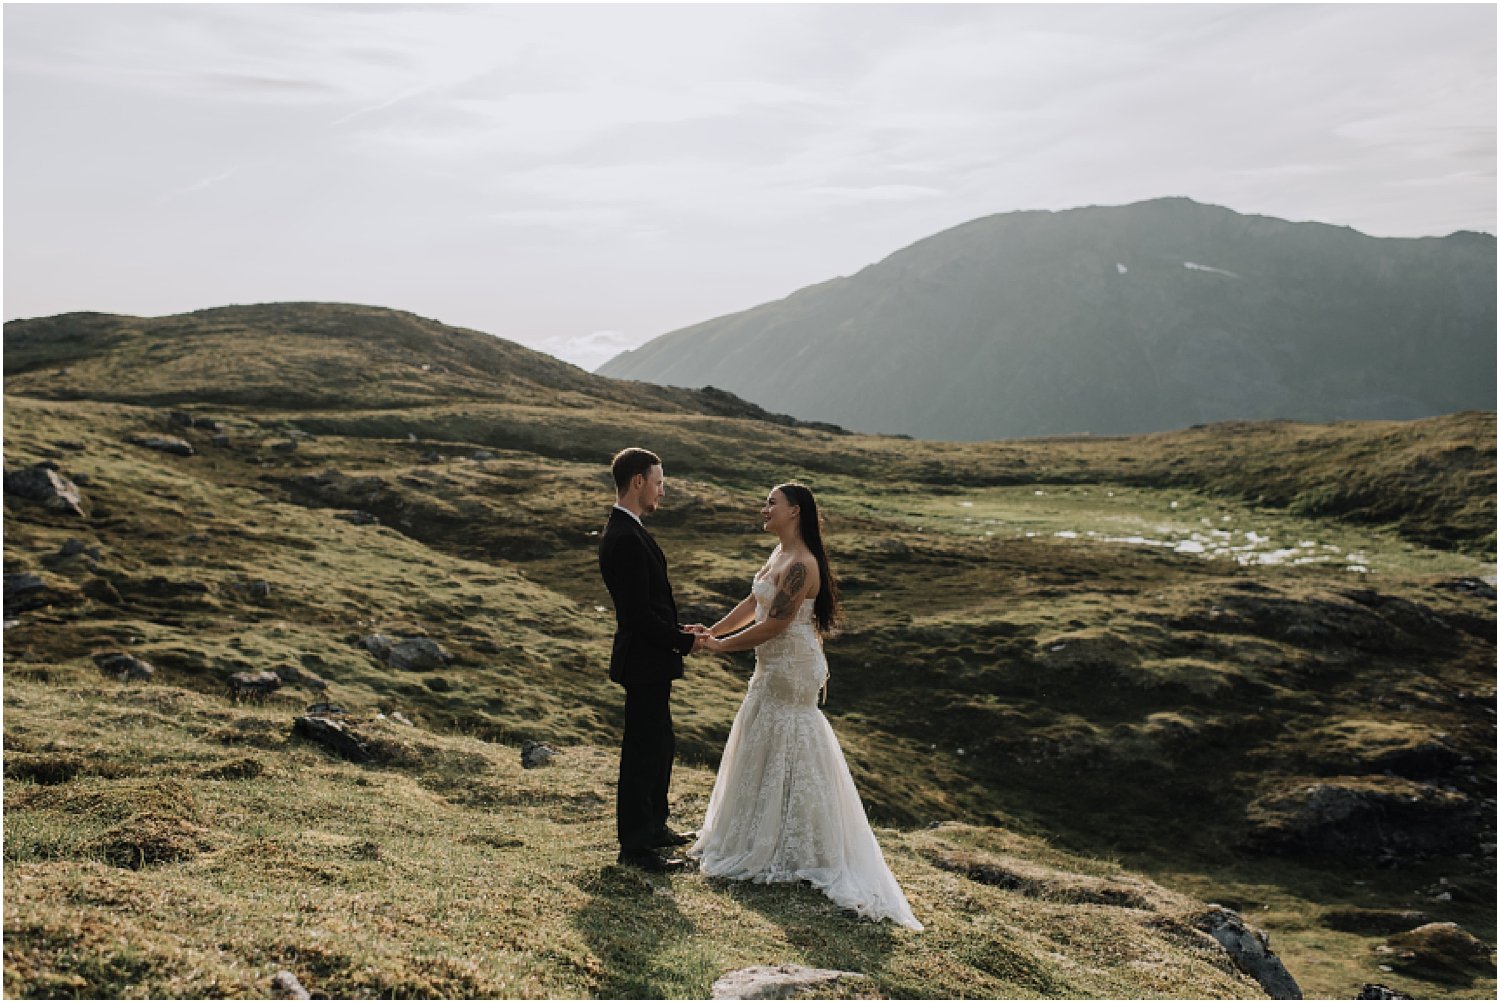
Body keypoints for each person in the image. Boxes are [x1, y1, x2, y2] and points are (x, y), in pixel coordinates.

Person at [690, 483, 923, 930]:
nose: (764, 509)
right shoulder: (779, 555)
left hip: (791, 663)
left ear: (794, 512)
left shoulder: (801, 565)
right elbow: (753, 603)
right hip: (772, 666)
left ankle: (802, 845)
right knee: (765, 735)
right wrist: (711, 630)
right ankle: (767, 832)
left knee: (791, 737)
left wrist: (719, 648)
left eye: (771, 504)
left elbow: (774, 625)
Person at [597, 447, 706, 872]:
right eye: (658, 483)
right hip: (643, 660)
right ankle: (636, 848)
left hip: (651, 659)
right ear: (638, 482)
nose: (662, 491)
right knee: (642, 750)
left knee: (659, 744)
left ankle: (655, 827)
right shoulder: (623, 536)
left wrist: (681, 632)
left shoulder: (631, 530)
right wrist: (683, 642)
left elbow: (649, 607)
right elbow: (638, 615)